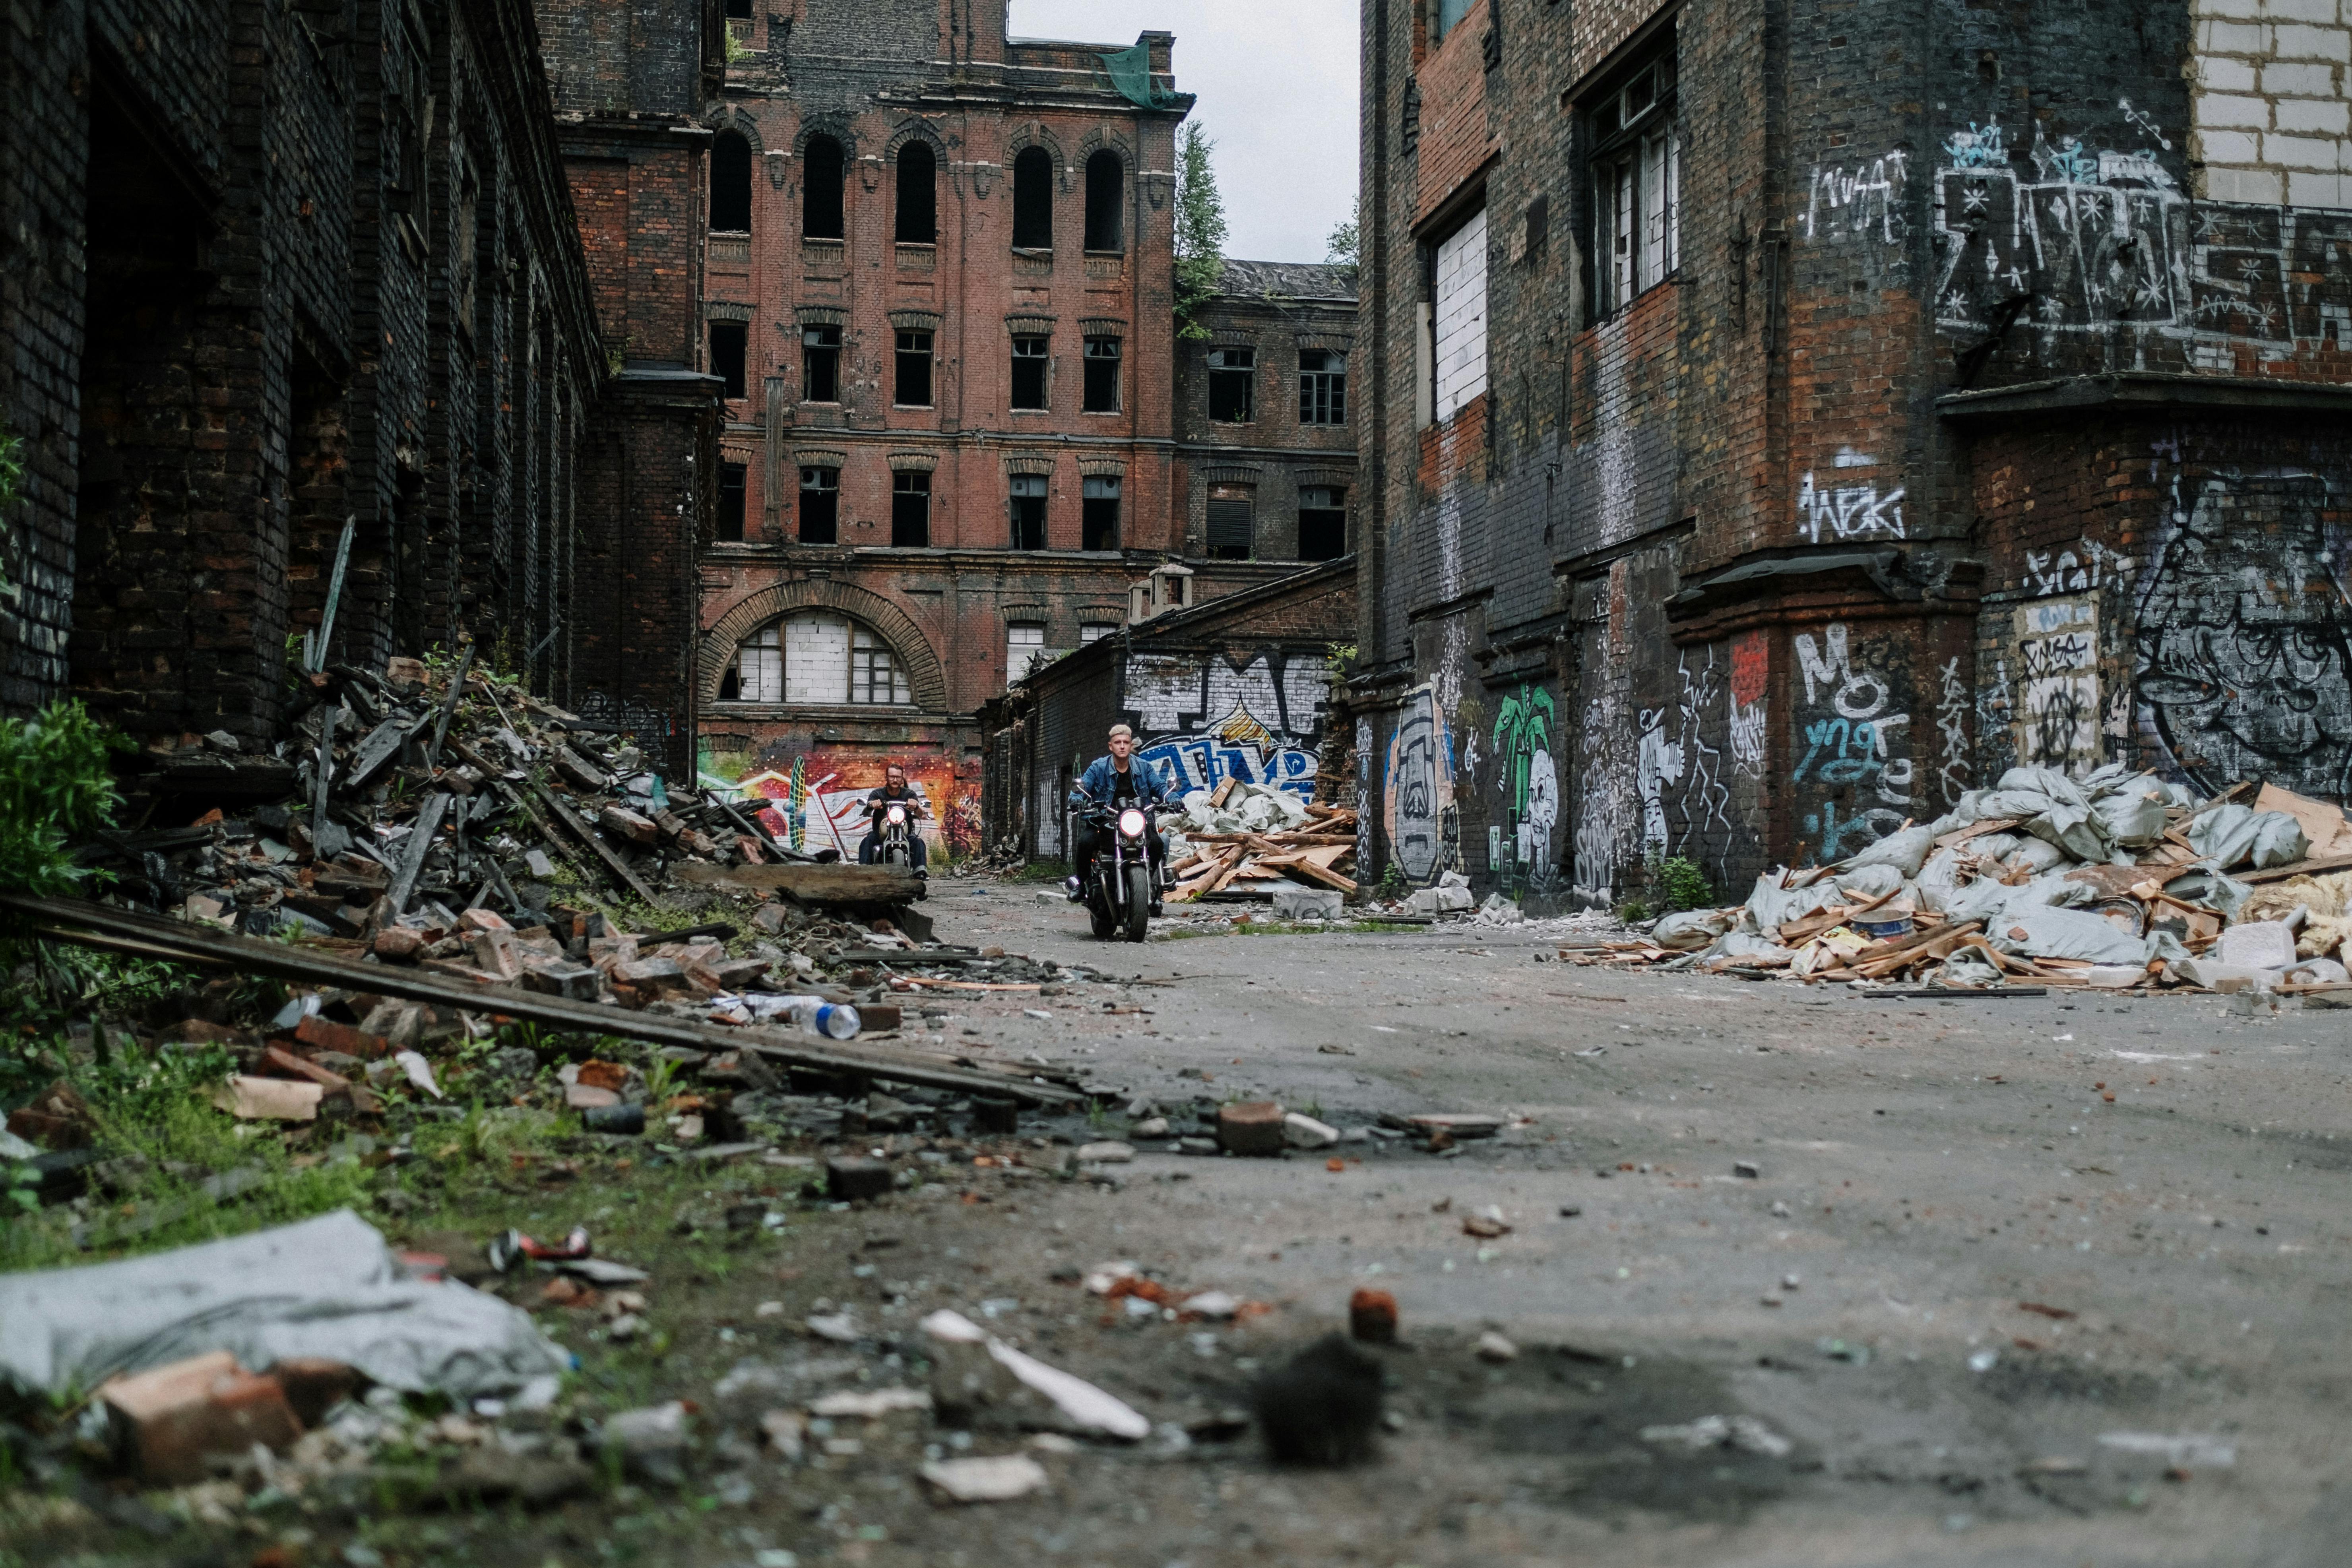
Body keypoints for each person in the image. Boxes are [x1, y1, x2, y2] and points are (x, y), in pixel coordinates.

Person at [1065, 724, 1176, 911]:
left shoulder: (1144, 767)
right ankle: (1082, 885)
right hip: (1105, 818)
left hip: (1138, 820)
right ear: (1111, 746)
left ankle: (1152, 888)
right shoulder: (1098, 767)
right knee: (1085, 842)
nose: (1122, 746)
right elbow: (1082, 788)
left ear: (1131, 745)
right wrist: (1077, 800)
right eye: (1118, 743)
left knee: (1157, 843)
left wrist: (1173, 798)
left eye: (1126, 742)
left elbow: (1160, 787)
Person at [857, 764, 929, 875]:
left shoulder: (909, 794)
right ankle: (863, 872)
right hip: (880, 835)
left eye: (898, 777)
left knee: (918, 842)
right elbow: (866, 812)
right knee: (867, 841)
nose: (895, 780)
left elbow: (920, 814)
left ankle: (920, 871)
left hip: (905, 833)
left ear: (902, 778)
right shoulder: (878, 793)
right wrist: (871, 805)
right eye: (892, 777)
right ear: (886, 777)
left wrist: (916, 806)